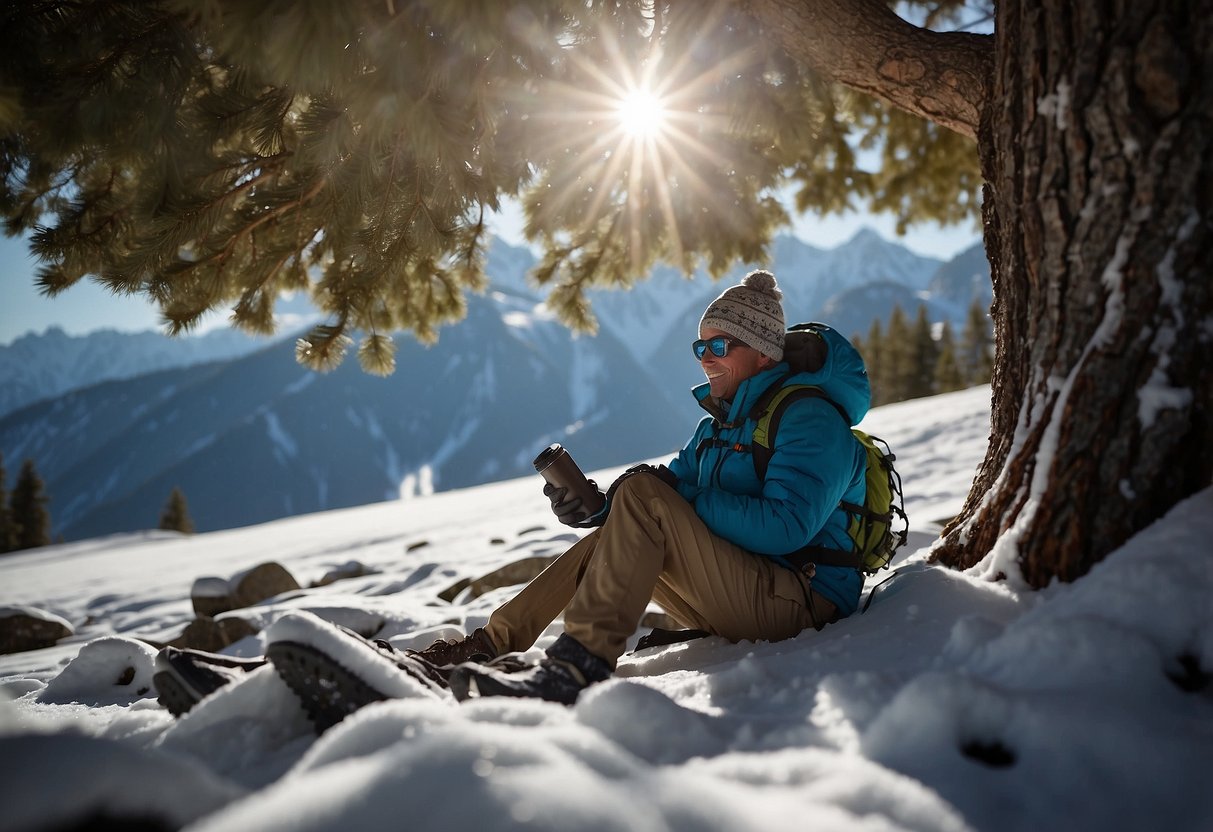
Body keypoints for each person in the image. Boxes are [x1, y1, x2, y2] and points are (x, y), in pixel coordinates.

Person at [153, 270, 870, 724]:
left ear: (760, 352)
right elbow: (674, 496)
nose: (704, 359)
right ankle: (487, 647)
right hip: (749, 589)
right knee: (627, 515)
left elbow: (782, 527)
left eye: (717, 346)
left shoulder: (808, 417)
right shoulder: (723, 424)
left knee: (646, 501)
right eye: (699, 348)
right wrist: (599, 510)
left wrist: (647, 502)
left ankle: (574, 669)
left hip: (797, 600)